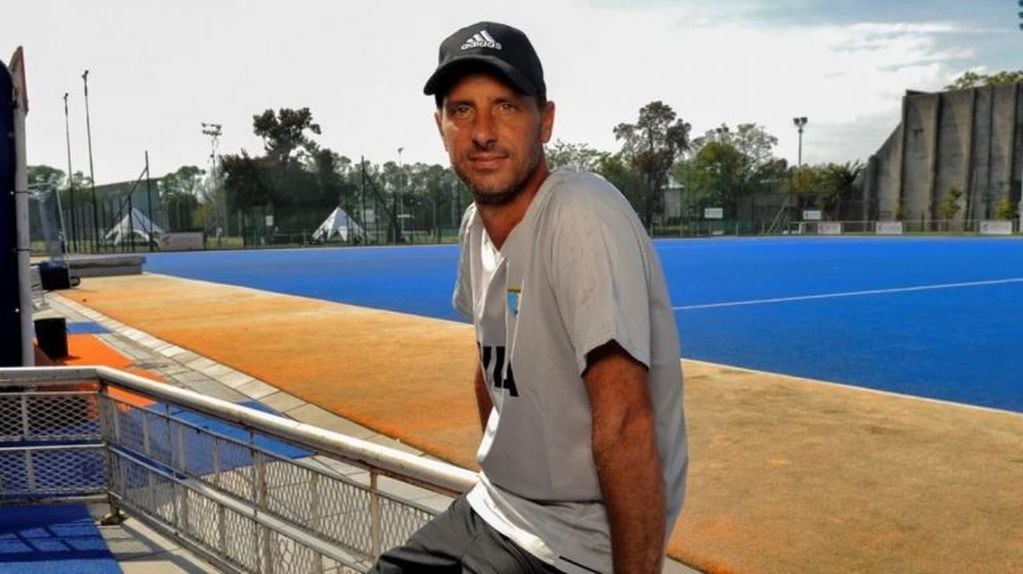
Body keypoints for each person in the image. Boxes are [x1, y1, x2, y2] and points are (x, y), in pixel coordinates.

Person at [370, 21, 687, 574]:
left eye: (507, 107)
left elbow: (626, 422)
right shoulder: (475, 225)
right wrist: (504, 469)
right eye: (462, 110)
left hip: (575, 543)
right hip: (495, 508)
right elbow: (489, 366)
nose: (483, 131)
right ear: (440, 126)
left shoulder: (580, 214)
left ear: (546, 121)